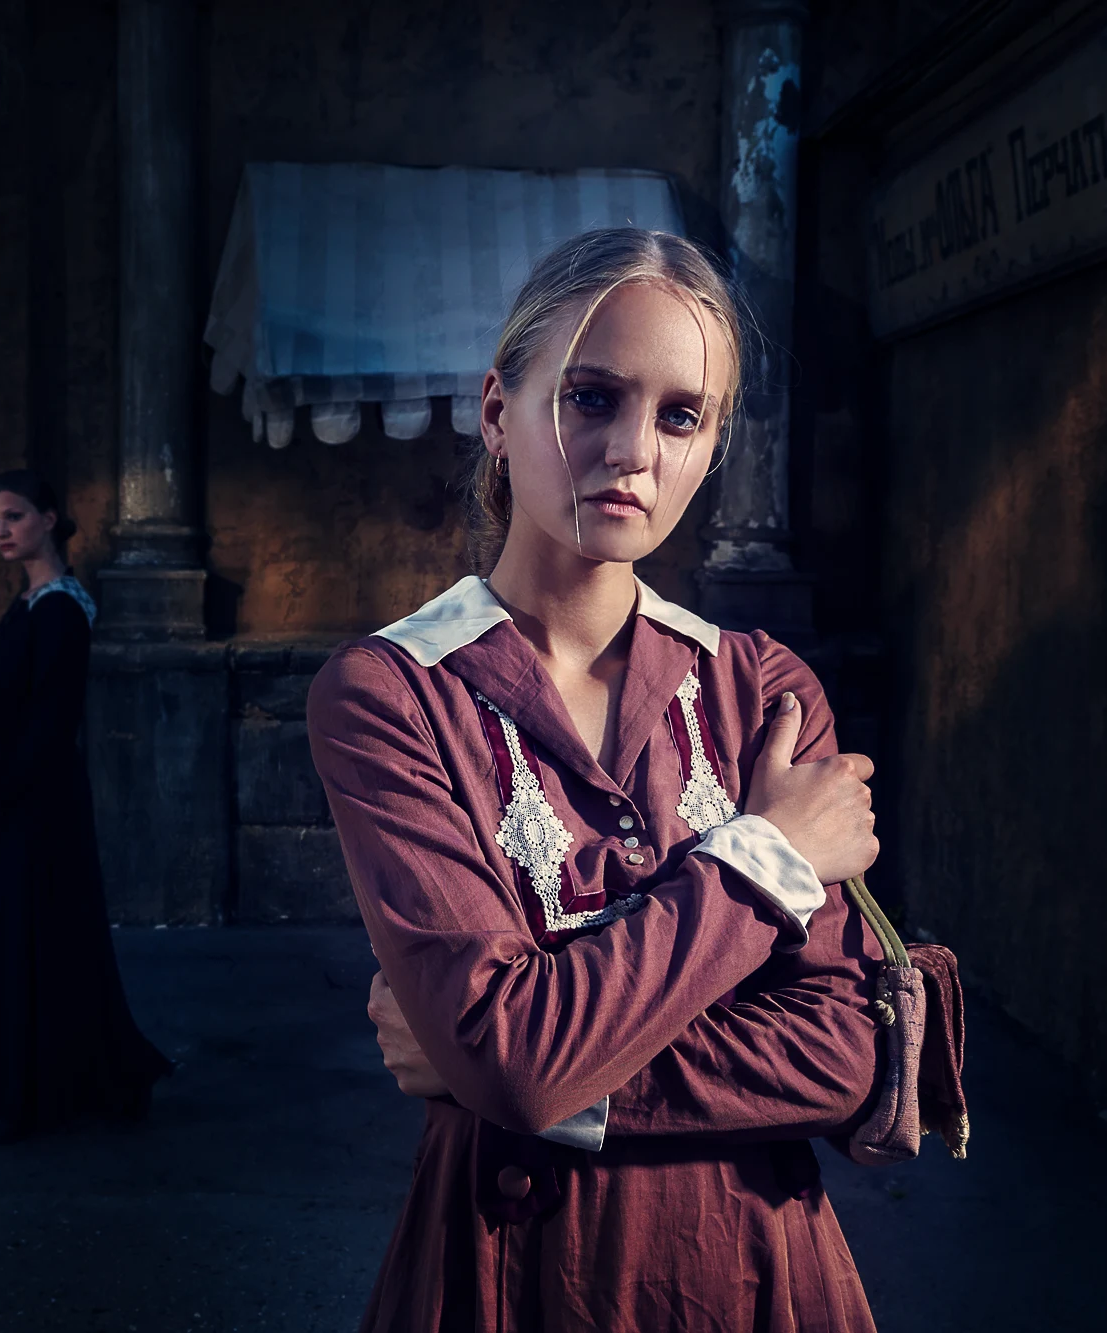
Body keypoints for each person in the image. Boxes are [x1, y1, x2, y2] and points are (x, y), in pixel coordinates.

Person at [306, 229, 886, 1331]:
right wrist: (764, 859)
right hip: (511, 1274)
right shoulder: (389, 693)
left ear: (711, 447)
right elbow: (512, 1059)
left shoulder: (761, 690)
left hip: (754, 1269)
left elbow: (845, 1053)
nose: (632, 450)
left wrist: (523, 1071)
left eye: (680, 416)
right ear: (495, 413)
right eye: (588, 398)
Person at [0, 468, 172, 1135]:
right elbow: (1, 709)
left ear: (50, 518)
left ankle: (48, 1091)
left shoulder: (60, 609)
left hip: (40, 799)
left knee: (42, 934)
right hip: (16, 792)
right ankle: (36, 1083)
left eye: (14, 516)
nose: (1, 531)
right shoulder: (29, 604)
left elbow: (48, 722)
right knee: (24, 933)